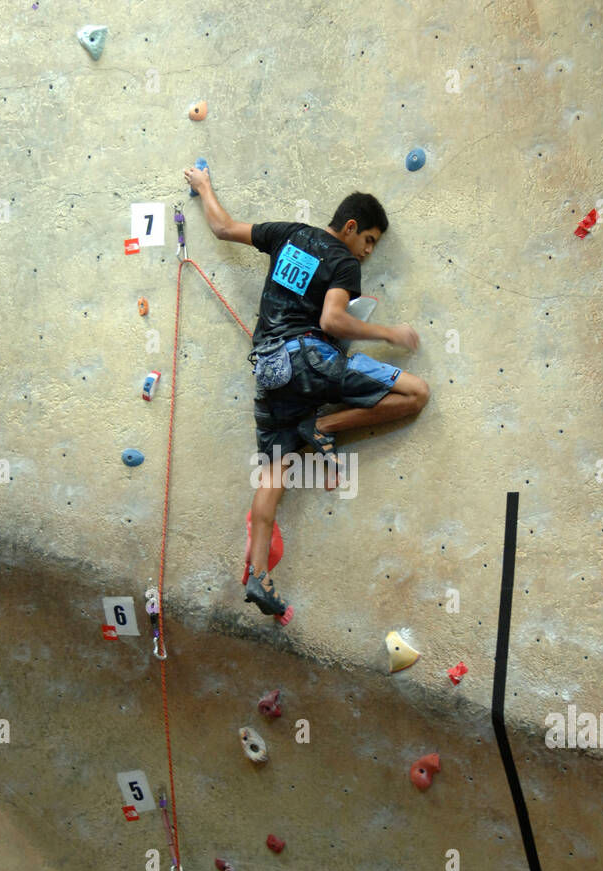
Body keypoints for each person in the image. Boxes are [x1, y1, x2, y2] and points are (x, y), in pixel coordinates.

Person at [183, 164, 429, 619]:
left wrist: (203, 187)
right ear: (350, 227)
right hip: (309, 359)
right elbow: (332, 322)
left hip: (270, 371)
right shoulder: (343, 261)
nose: (369, 252)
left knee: (274, 474)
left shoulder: (287, 234)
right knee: (416, 394)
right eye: (370, 240)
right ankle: (322, 424)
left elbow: (221, 227)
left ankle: (259, 573)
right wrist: (389, 332)